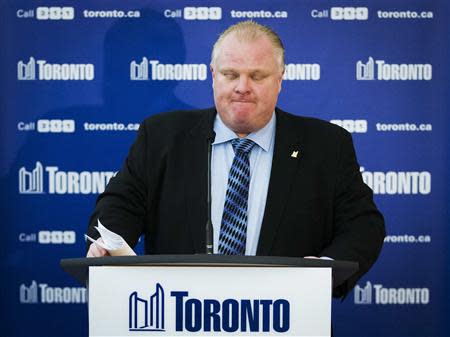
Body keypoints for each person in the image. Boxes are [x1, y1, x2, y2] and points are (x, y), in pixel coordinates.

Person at [86, 20, 385, 296]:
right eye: (231, 74)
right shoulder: (163, 136)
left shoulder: (326, 145)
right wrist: (107, 244)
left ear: (280, 80)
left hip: (285, 314)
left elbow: (363, 225)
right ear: (213, 76)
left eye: (257, 76)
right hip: (180, 315)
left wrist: (325, 269)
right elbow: (119, 204)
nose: (242, 87)